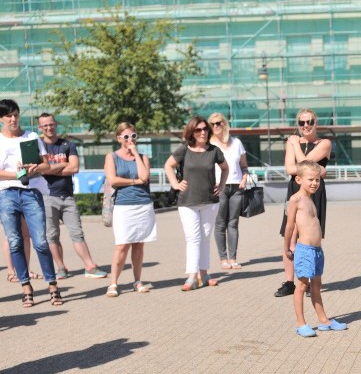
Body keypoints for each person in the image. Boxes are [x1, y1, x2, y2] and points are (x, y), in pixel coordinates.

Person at [0, 98, 62, 307]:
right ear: (1, 119)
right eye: (9, 116)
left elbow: (46, 166)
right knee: (15, 241)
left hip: (31, 192)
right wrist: (19, 173)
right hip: (6, 194)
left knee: (41, 242)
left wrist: (34, 169)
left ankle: (52, 284)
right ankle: (26, 287)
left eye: (16, 114)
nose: (13, 119)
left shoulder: (32, 136)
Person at [37, 112, 108, 280]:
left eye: (51, 124)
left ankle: (90, 266)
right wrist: (63, 164)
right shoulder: (37, 146)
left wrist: (50, 168)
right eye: (45, 125)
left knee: (77, 232)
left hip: (67, 197)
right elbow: (40, 169)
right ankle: (61, 268)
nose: (49, 127)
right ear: (40, 127)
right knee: (52, 235)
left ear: (56, 124)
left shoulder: (68, 144)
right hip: (46, 197)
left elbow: (74, 168)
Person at [283, 160, 347, 337]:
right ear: (298, 180)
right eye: (310, 179)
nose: (314, 183)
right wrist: (287, 246)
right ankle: (301, 323)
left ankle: (323, 320)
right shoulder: (295, 199)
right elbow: (290, 226)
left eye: (317, 180)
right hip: (305, 251)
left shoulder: (311, 200)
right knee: (302, 286)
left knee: (316, 287)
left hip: (317, 251)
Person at [165, 116, 228, 291]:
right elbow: (168, 165)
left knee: (205, 237)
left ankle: (204, 274)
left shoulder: (214, 151)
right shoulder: (184, 149)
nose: (203, 132)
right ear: (191, 132)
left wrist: (221, 186)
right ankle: (192, 277)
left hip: (210, 200)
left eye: (205, 129)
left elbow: (225, 168)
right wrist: (175, 184)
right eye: (198, 129)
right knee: (193, 238)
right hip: (188, 201)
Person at [275, 109, 331, 297]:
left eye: (309, 121)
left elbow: (303, 165)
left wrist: (294, 145)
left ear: (316, 122)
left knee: (311, 234)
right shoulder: (293, 141)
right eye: (301, 122)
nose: (305, 126)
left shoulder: (324, 143)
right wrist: (312, 168)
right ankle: (290, 282)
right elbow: (290, 169)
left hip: (315, 191)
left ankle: (310, 281)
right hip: (295, 190)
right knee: (289, 232)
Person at [103, 122, 157, 297]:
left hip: (143, 204)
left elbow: (144, 176)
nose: (130, 140)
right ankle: (113, 283)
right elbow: (113, 180)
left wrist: (135, 153)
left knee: (139, 244)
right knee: (122, 245)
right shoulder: (112, 157)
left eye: (133, 136)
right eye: (126, 137)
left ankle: (137, 280)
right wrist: (134, 182)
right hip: (123, 205)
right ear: (119, 138)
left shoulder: (142, 157)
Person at [208, 112, 248, 270]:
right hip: (219, 187)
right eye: (213, 124)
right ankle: (223, 258)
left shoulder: (237, 142)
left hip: (236, 187)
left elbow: (244, 166)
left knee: (233, 223)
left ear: (225, 124)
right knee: (220, 224)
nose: (216, 126)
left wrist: (244, 178)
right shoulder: (209, 144)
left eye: (219, 123)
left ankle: (233, 258)